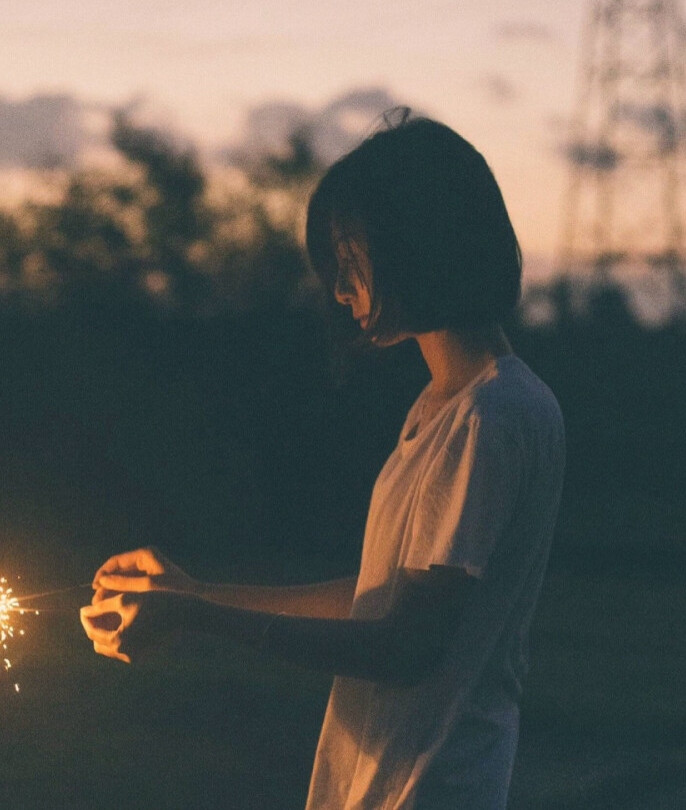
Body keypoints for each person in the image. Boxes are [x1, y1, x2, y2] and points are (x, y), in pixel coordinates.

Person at [81, 112, 565, 810]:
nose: (341, 289)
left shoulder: (491, 418)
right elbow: (379, 598)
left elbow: (407, 646)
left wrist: (199, 621)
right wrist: (193, 593)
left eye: (352, 258)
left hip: (428, 790)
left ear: (416, 245)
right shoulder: (445, 407)